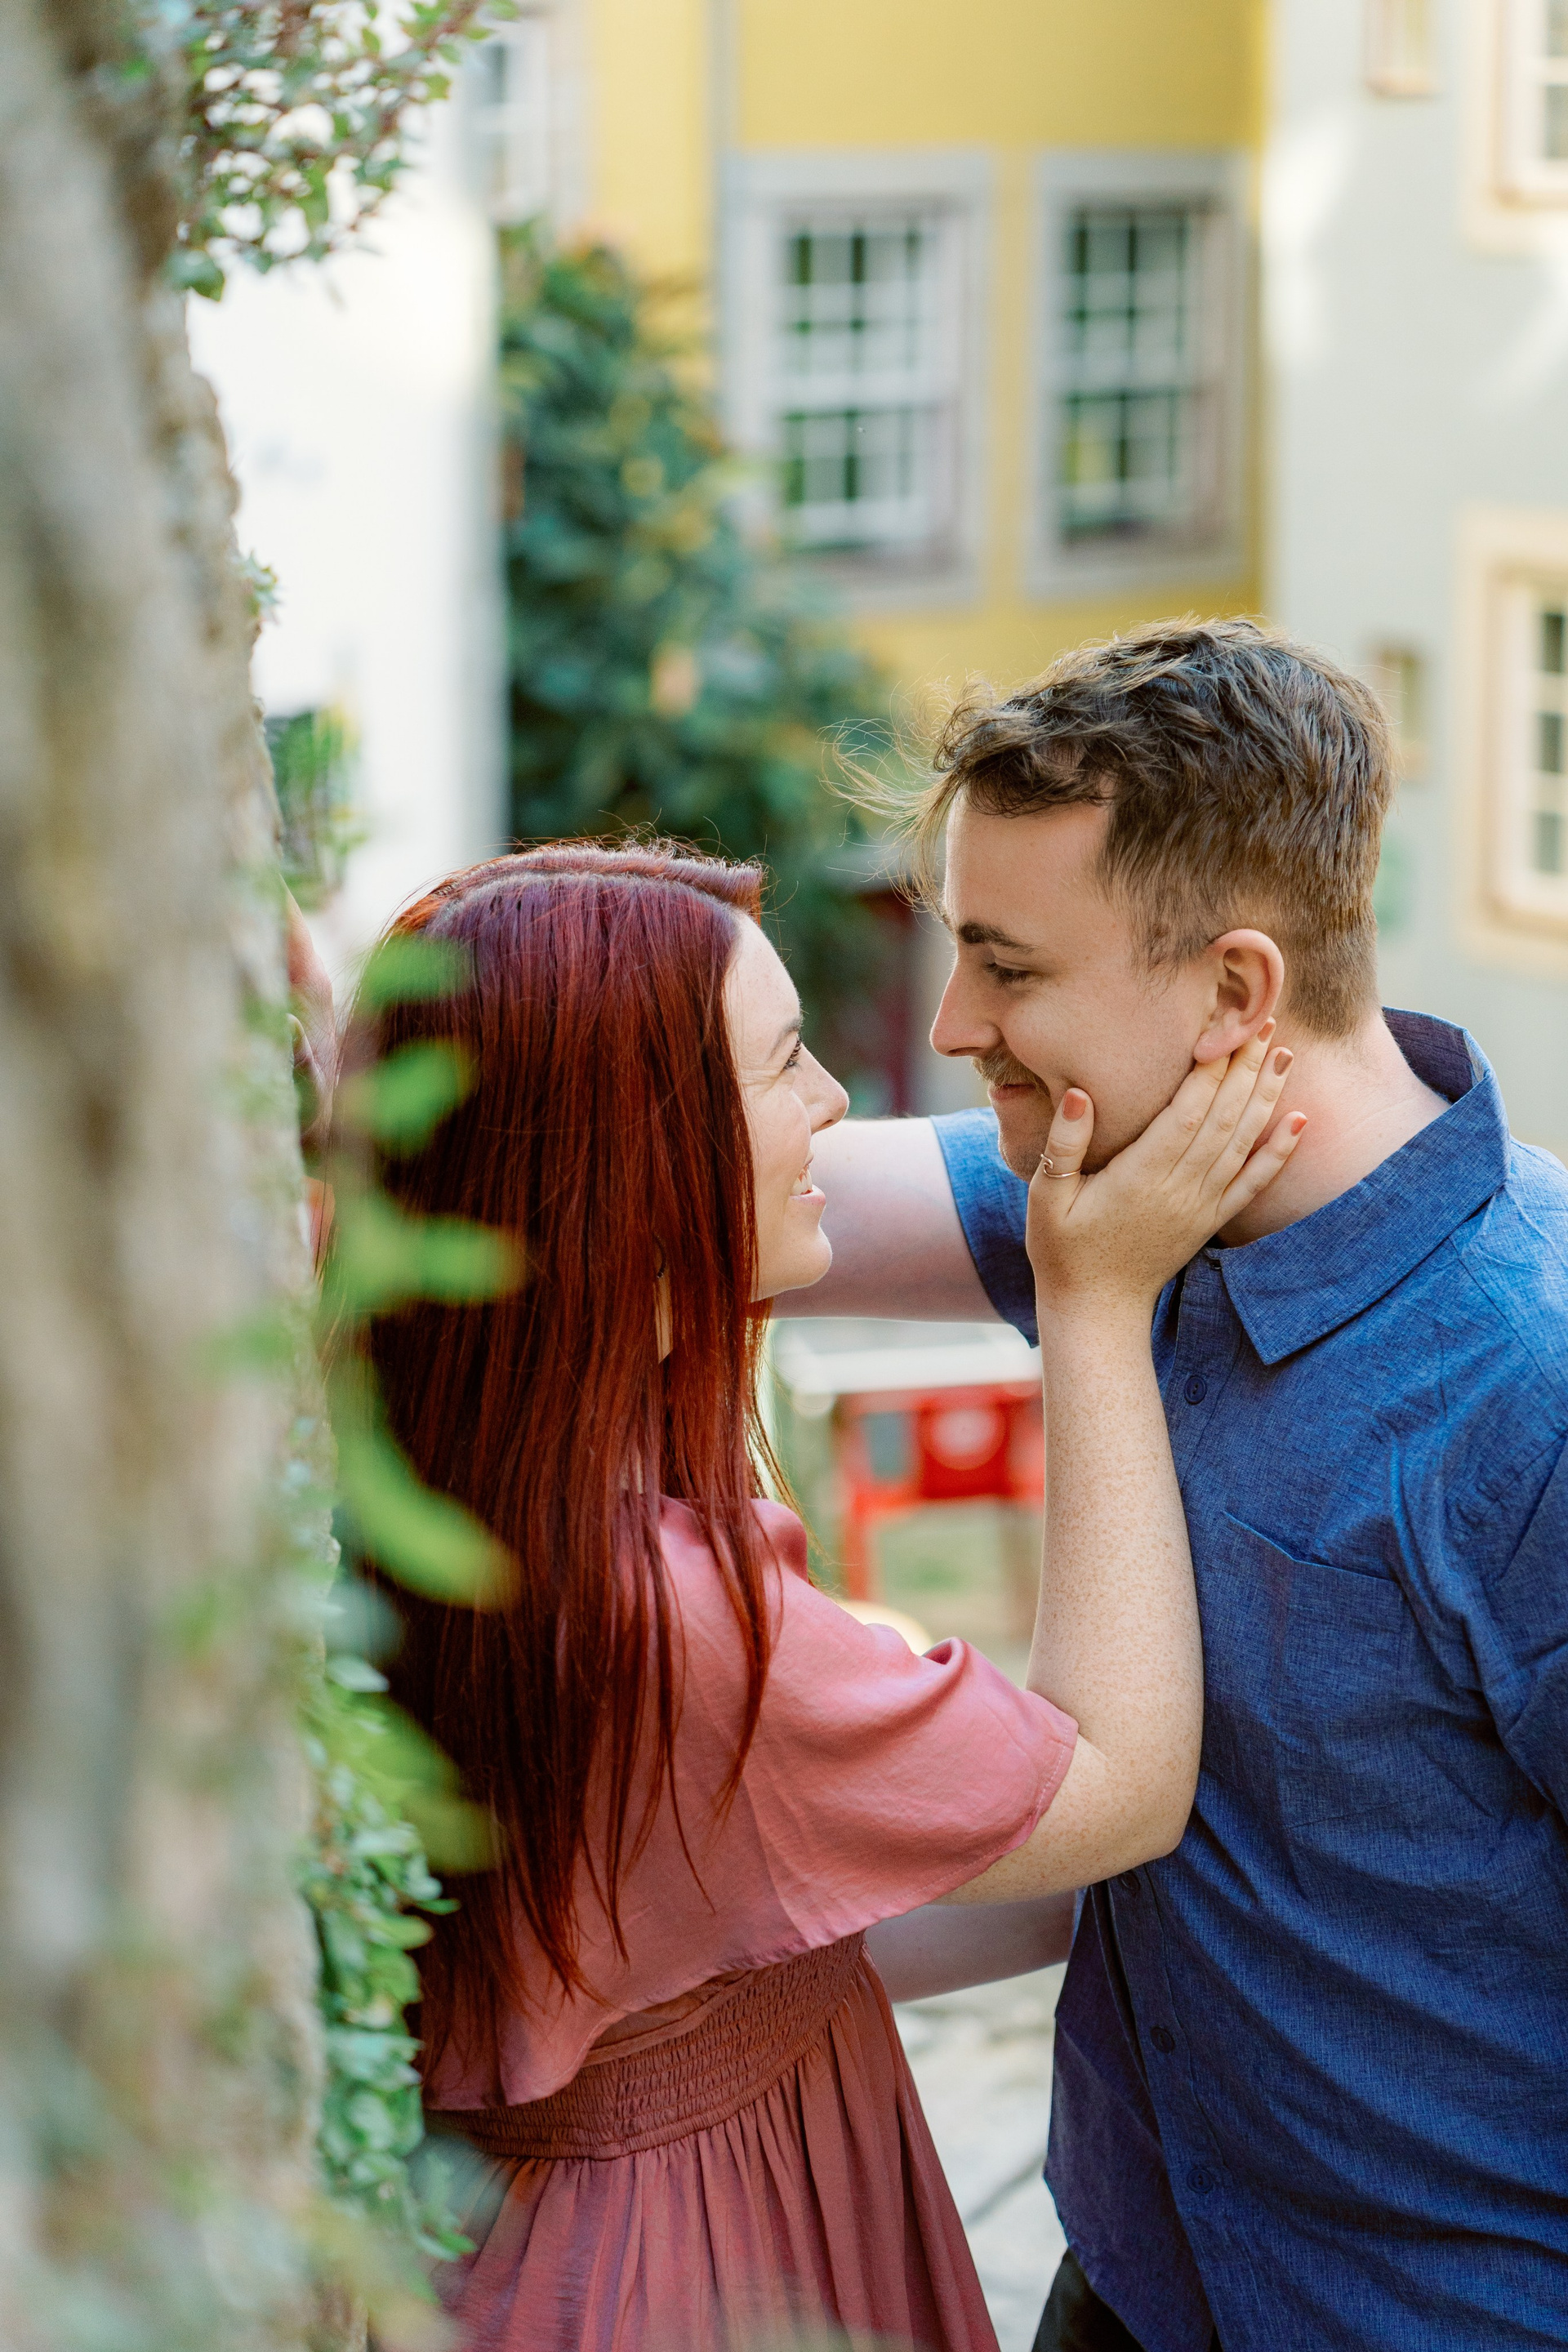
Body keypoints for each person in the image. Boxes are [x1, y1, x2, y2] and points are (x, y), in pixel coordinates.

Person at [340, 840, 1299, 2352]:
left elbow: (708, 1944)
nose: (835, 1103)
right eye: (784, 1062)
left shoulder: (437, 1472)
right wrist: (1096, 1300)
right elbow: (1113, 1791)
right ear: (638, 1158)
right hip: (684, 2274)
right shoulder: (664, 1618)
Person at [781, 619, 1568, 2352]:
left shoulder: (1533, 1393)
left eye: (1008, 968)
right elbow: (737, 1198)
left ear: (1233, 997)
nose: (955, 1024)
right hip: (1132, 2274)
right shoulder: (1116, 1195)